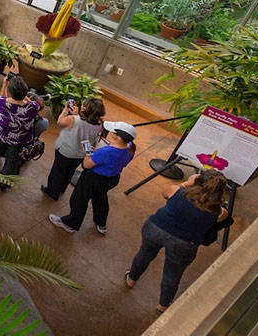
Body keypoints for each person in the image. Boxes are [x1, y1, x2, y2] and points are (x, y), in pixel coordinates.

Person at [125, 170, 230, 313]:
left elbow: (164, 193)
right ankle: (163, 305)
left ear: (197, 181)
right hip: (184, 244)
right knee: (172, 274)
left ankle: (131, 279)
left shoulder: (177, 192)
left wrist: (186, 183)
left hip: (156, 228)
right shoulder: (220, 212)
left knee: (144, 253)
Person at [49, 121, 137, 235]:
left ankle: (70, 224)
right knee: (100, 199)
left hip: (93, 178)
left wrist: (88, 153)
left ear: (119, 137)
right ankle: (101, 223)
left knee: (79, 199)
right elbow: (111, 158)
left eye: (113, 131)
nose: (110, 132)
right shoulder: (130, 147)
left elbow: (86, 165)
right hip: (112, 178)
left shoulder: (106, 152)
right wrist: (97, 153)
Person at [0, 75, 42, 189]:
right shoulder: (32, 107)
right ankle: (4, 184)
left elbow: (1, 97)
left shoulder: (2, 103)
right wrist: (25, 96)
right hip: (19, 139)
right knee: (12, 161)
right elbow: (35, 105)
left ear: (10, 91)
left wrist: (4, 84)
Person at [41, 97, 106, 200]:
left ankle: (52, 192)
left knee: (58, 171)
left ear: (85, 108)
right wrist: (76, 115)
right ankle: (62, 188)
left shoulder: (72, 119)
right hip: (80, 154)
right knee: (70, 171)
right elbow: (85, 129)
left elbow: (60, 122)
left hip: (65, 151)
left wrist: (66, 110)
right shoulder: (99, 124)